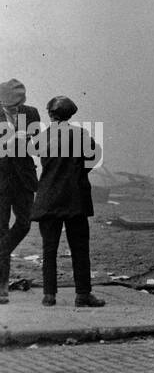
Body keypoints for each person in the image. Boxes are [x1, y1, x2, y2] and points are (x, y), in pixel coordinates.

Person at [30, 96, 104, 308]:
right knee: (80, 249)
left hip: (49, 199)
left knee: (49, 249)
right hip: (75, 199)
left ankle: (49, 296)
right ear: (71, 114)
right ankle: (82, 295)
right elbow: (95, 156)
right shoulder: (81, 135)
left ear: (50, 114)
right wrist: (80, 172)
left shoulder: (42, 137)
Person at [0, 79, 39, 305]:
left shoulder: (31, 113)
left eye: (17, 106)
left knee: (25, 223)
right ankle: (2, 288)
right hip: (1, 181)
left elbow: (35, 143)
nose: (13, 110)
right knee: (1, 228)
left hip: (23, 179)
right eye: (8, 106)